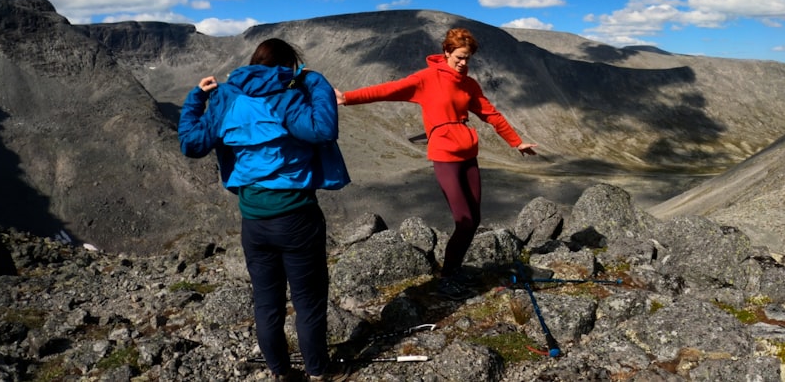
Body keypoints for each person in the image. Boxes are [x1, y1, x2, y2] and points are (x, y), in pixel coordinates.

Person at [178, 38, 348, 381]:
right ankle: (318, 372)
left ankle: (281, 373)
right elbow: (323, 129)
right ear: (288, 65)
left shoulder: (226, 98)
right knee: (308, 300)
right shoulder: (288, 95)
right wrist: (312, 79)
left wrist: (196, 97)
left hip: (254, 222)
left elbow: (191, 143)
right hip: (298, 217)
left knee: (267, 302)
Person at [335, 28, 537, 300]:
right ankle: (447, 278)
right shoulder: (426, 78)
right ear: (447, 53)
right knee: (464, 220)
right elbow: (389, 90)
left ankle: (454, 269)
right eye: (460, 57)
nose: (464, 63)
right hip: (445, 156)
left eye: (468, 58)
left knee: (474, 219)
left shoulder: (469, 84)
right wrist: (347, 97)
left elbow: (492, 115)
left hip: (469, 156)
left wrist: (516, 142)